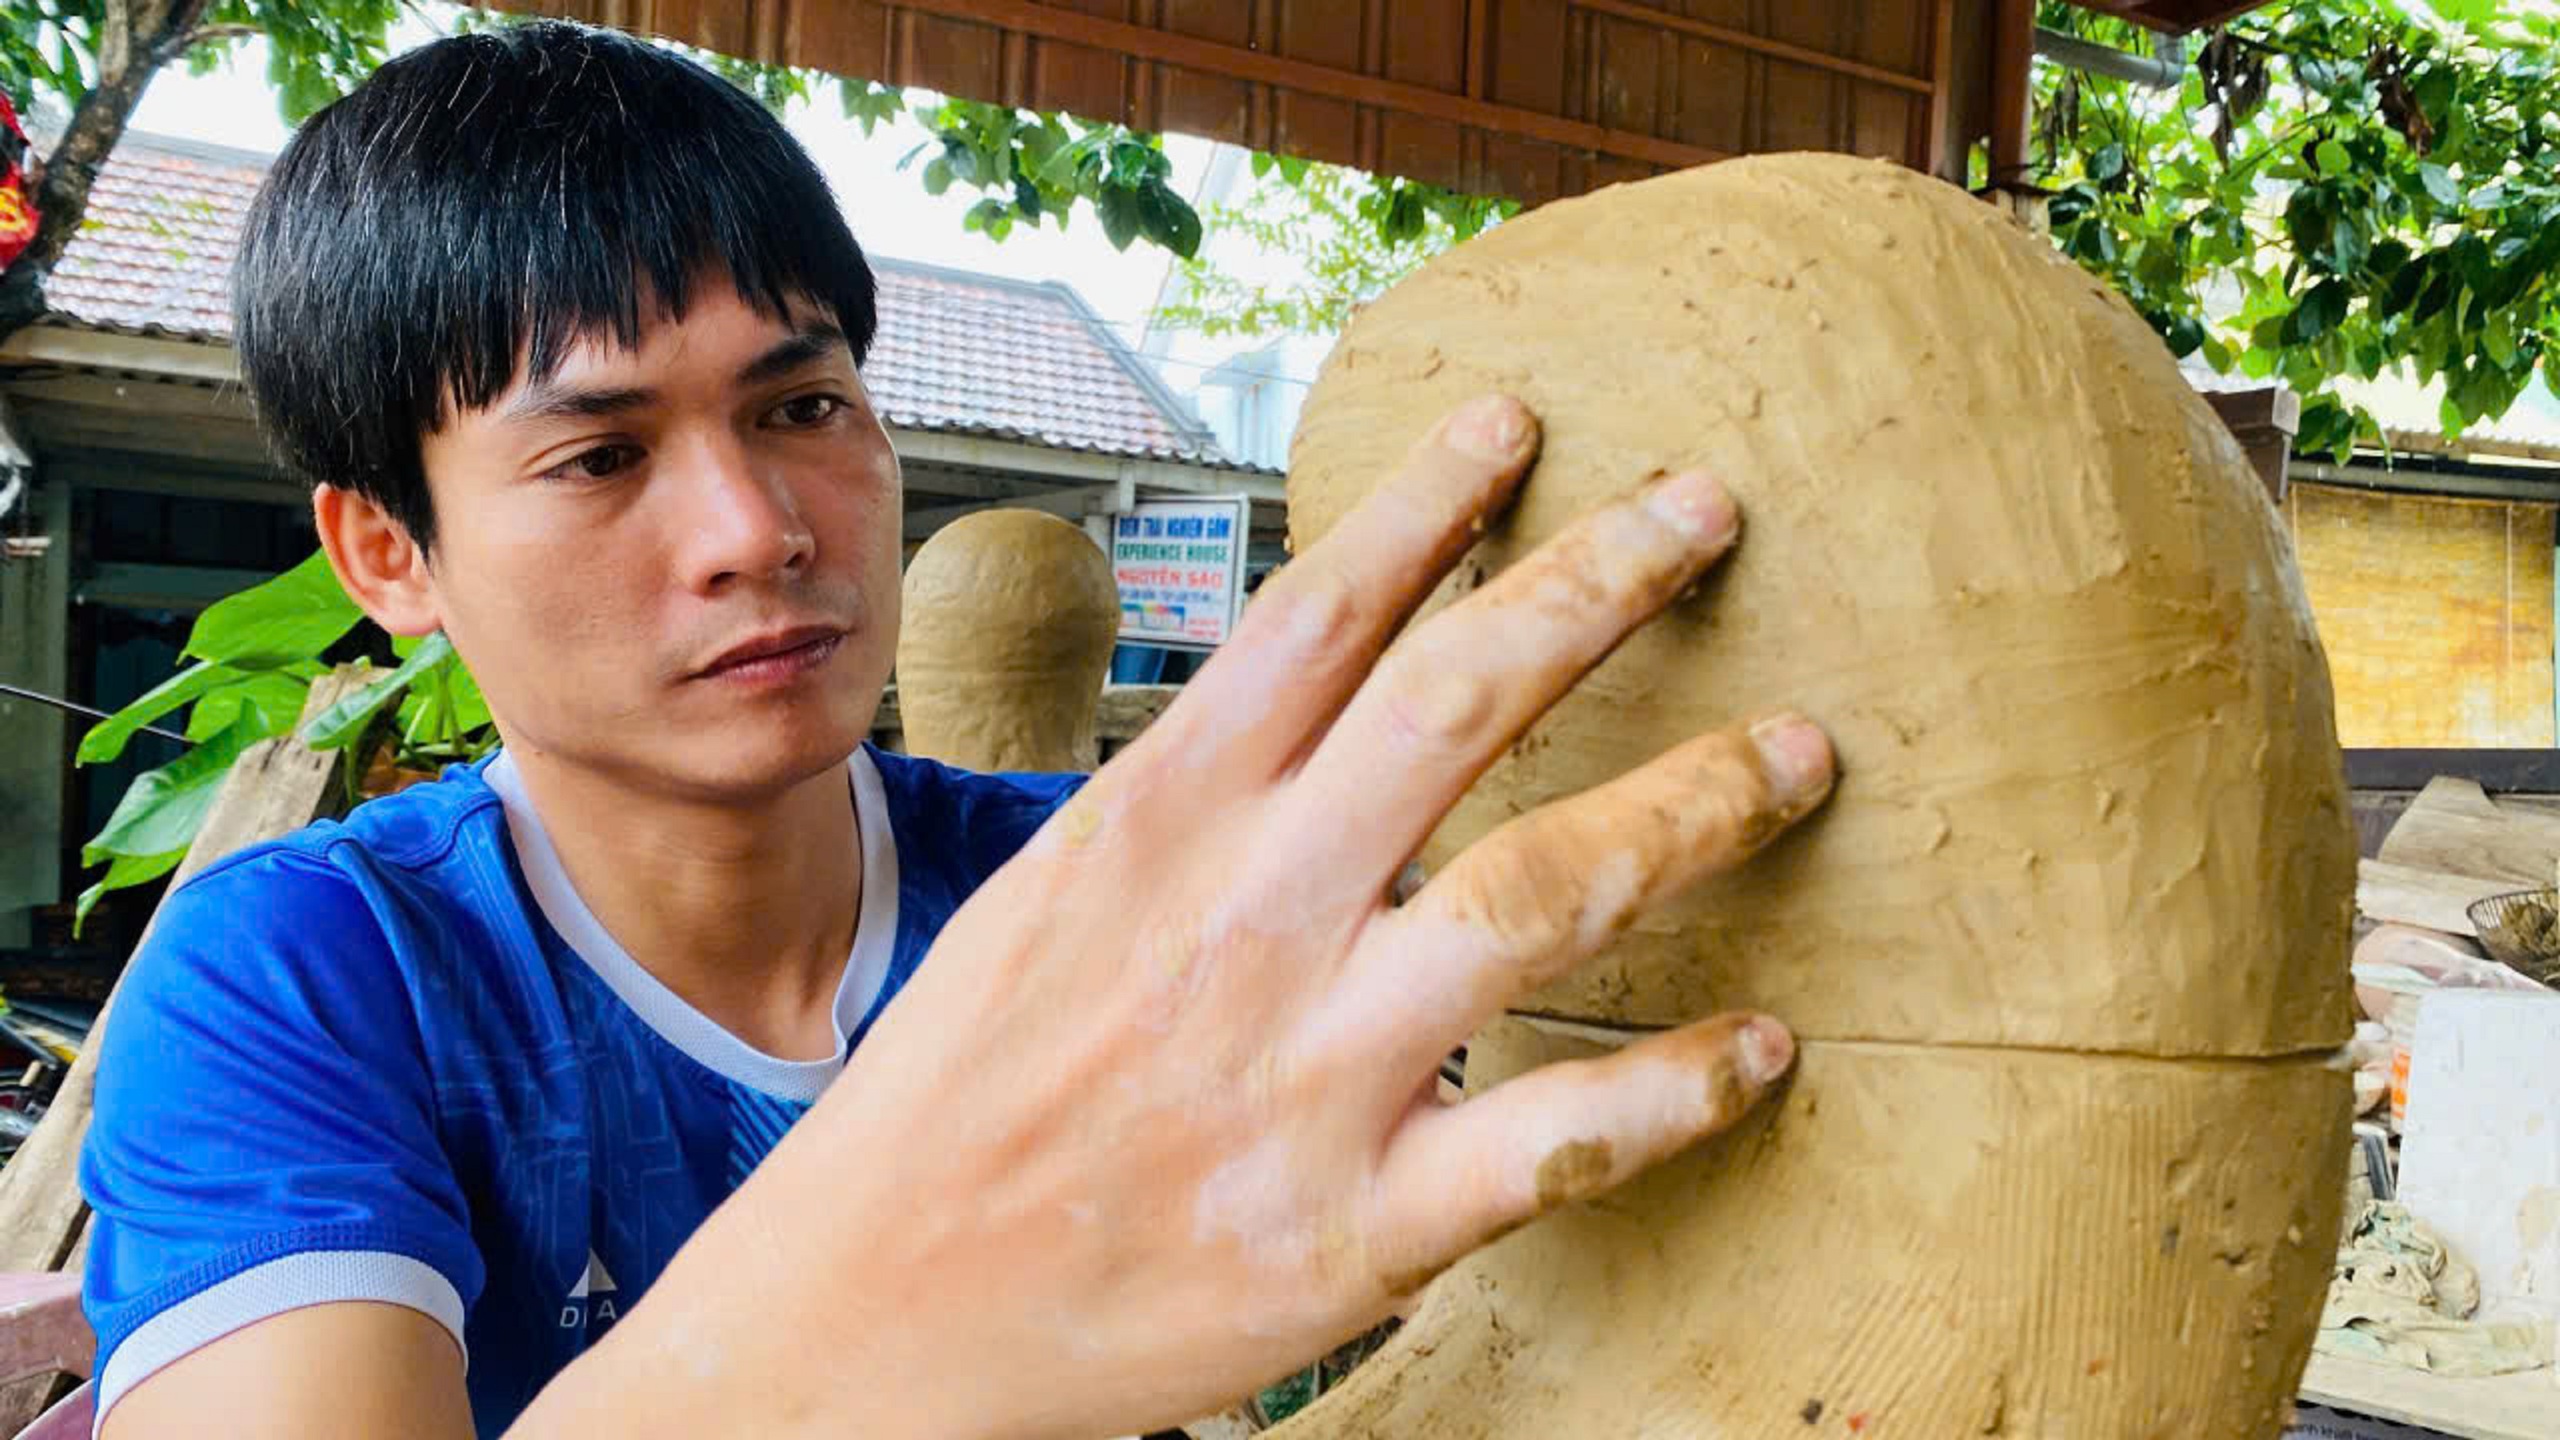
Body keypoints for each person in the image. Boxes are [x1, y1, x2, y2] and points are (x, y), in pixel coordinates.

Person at [78, 20, 1836, 1440]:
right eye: (601, 456)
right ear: (391, 552)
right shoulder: (305, 975)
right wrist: (882, 1310)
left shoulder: (1080, 889)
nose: (759, 528)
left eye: (805, 404)